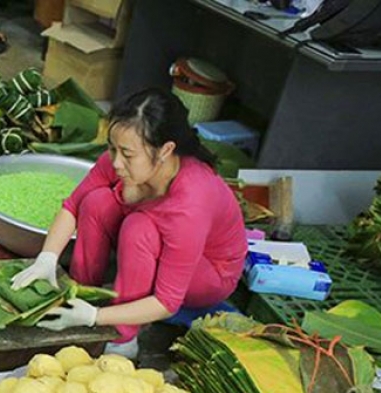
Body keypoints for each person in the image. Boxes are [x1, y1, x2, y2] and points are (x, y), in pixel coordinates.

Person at [17, 88, 246, 358]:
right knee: (96, 202)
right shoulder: (124, 159)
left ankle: (124, 338)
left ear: (165, 150)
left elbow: (167, 301)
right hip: (160, 242)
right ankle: (80, 292)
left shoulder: (191, 203)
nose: (116, 162)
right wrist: (47, 258)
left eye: (127, 154)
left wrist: (95, 317)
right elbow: (73, 206)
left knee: (139, 229)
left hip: (208, 274)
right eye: (112, 148)